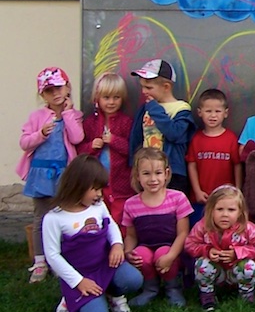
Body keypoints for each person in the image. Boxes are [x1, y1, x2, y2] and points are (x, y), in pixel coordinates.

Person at [42, 155, 143, 312]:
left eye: (101, 189)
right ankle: (70, 299)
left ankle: (112, 293)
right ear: (77, 186)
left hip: (105, 264)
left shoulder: (98, 205)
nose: (99, 194)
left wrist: (117, 245)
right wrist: (78, 281)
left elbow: (110, 225)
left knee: (134, 280)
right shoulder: (54, 218)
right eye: (95, 189)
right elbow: (52, 256)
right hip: (80, 274)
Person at [20, 66, 84, 282]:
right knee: (41, 216)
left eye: (59, 88)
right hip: (40, 174)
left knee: (63, 216)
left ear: (68, 88)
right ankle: (40, 261)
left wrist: (67, 114)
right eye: (49, 91)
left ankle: (59, 259)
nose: (55, 93)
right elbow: (24, 142)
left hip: (63, 174)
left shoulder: (74, 115)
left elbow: (77, 138)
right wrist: (40, 134)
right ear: (43, 95)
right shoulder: (37, 116)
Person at [122, 148, 191, 308]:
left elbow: (183, 233)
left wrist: (171, 255)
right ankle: (150, 288)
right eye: (146, 174)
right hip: (146, 246)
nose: (153, 179)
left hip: (171, 249)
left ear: (166, 174)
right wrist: (128, 252)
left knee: (163, 253)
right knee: (141, 255)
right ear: (138, 176)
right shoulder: (131, 204)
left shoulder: (178, 198)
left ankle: (173, 287)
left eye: (158, 173)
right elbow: (131, 235)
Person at [184, 185, 255, 311]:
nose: (225, 214)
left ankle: (246, 295)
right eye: (219, 209)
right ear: (211, 210)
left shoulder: (248, 228)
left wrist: (238, 253)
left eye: (231, 210)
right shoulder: (203, 226)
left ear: (240, 212)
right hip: (216, 271)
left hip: (236, 271)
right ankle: (207, 296)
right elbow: (190, 244)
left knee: (249, 267)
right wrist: (207, 250)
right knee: (202, 264)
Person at [128, 59, 196, 194]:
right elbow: (136, 137)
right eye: (142, 87)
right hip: (147, 170)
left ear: (166, 87)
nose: (143, 91)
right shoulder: (146, 108)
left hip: (173, 172)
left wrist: (155, 109)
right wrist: (134, 164)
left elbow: (175, 133)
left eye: (149, 88)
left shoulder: (181, 109)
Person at [78, 72, 133, 236]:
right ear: (97, 98)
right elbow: (79, 152)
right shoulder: (90, 123)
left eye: (116, 97)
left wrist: (114, 140)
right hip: (96, 183)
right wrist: (91, 146)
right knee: (97, 218)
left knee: (119, 219)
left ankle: (120, 246)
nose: (111, 102)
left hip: (120, 184)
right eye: (106, 97)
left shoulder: (126, 122)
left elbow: (132, 150)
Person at [186, 88, 242, 226]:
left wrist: (238, 190)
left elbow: (237, 165)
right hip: (202, 198)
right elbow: (191, 165)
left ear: (225, 113)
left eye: (217, 111)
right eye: (208, 111)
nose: (213, 115)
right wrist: (197, 191)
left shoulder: (231, 138)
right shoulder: (196, 139)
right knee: (199, 231)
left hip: (226, 198)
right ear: (200, 112)